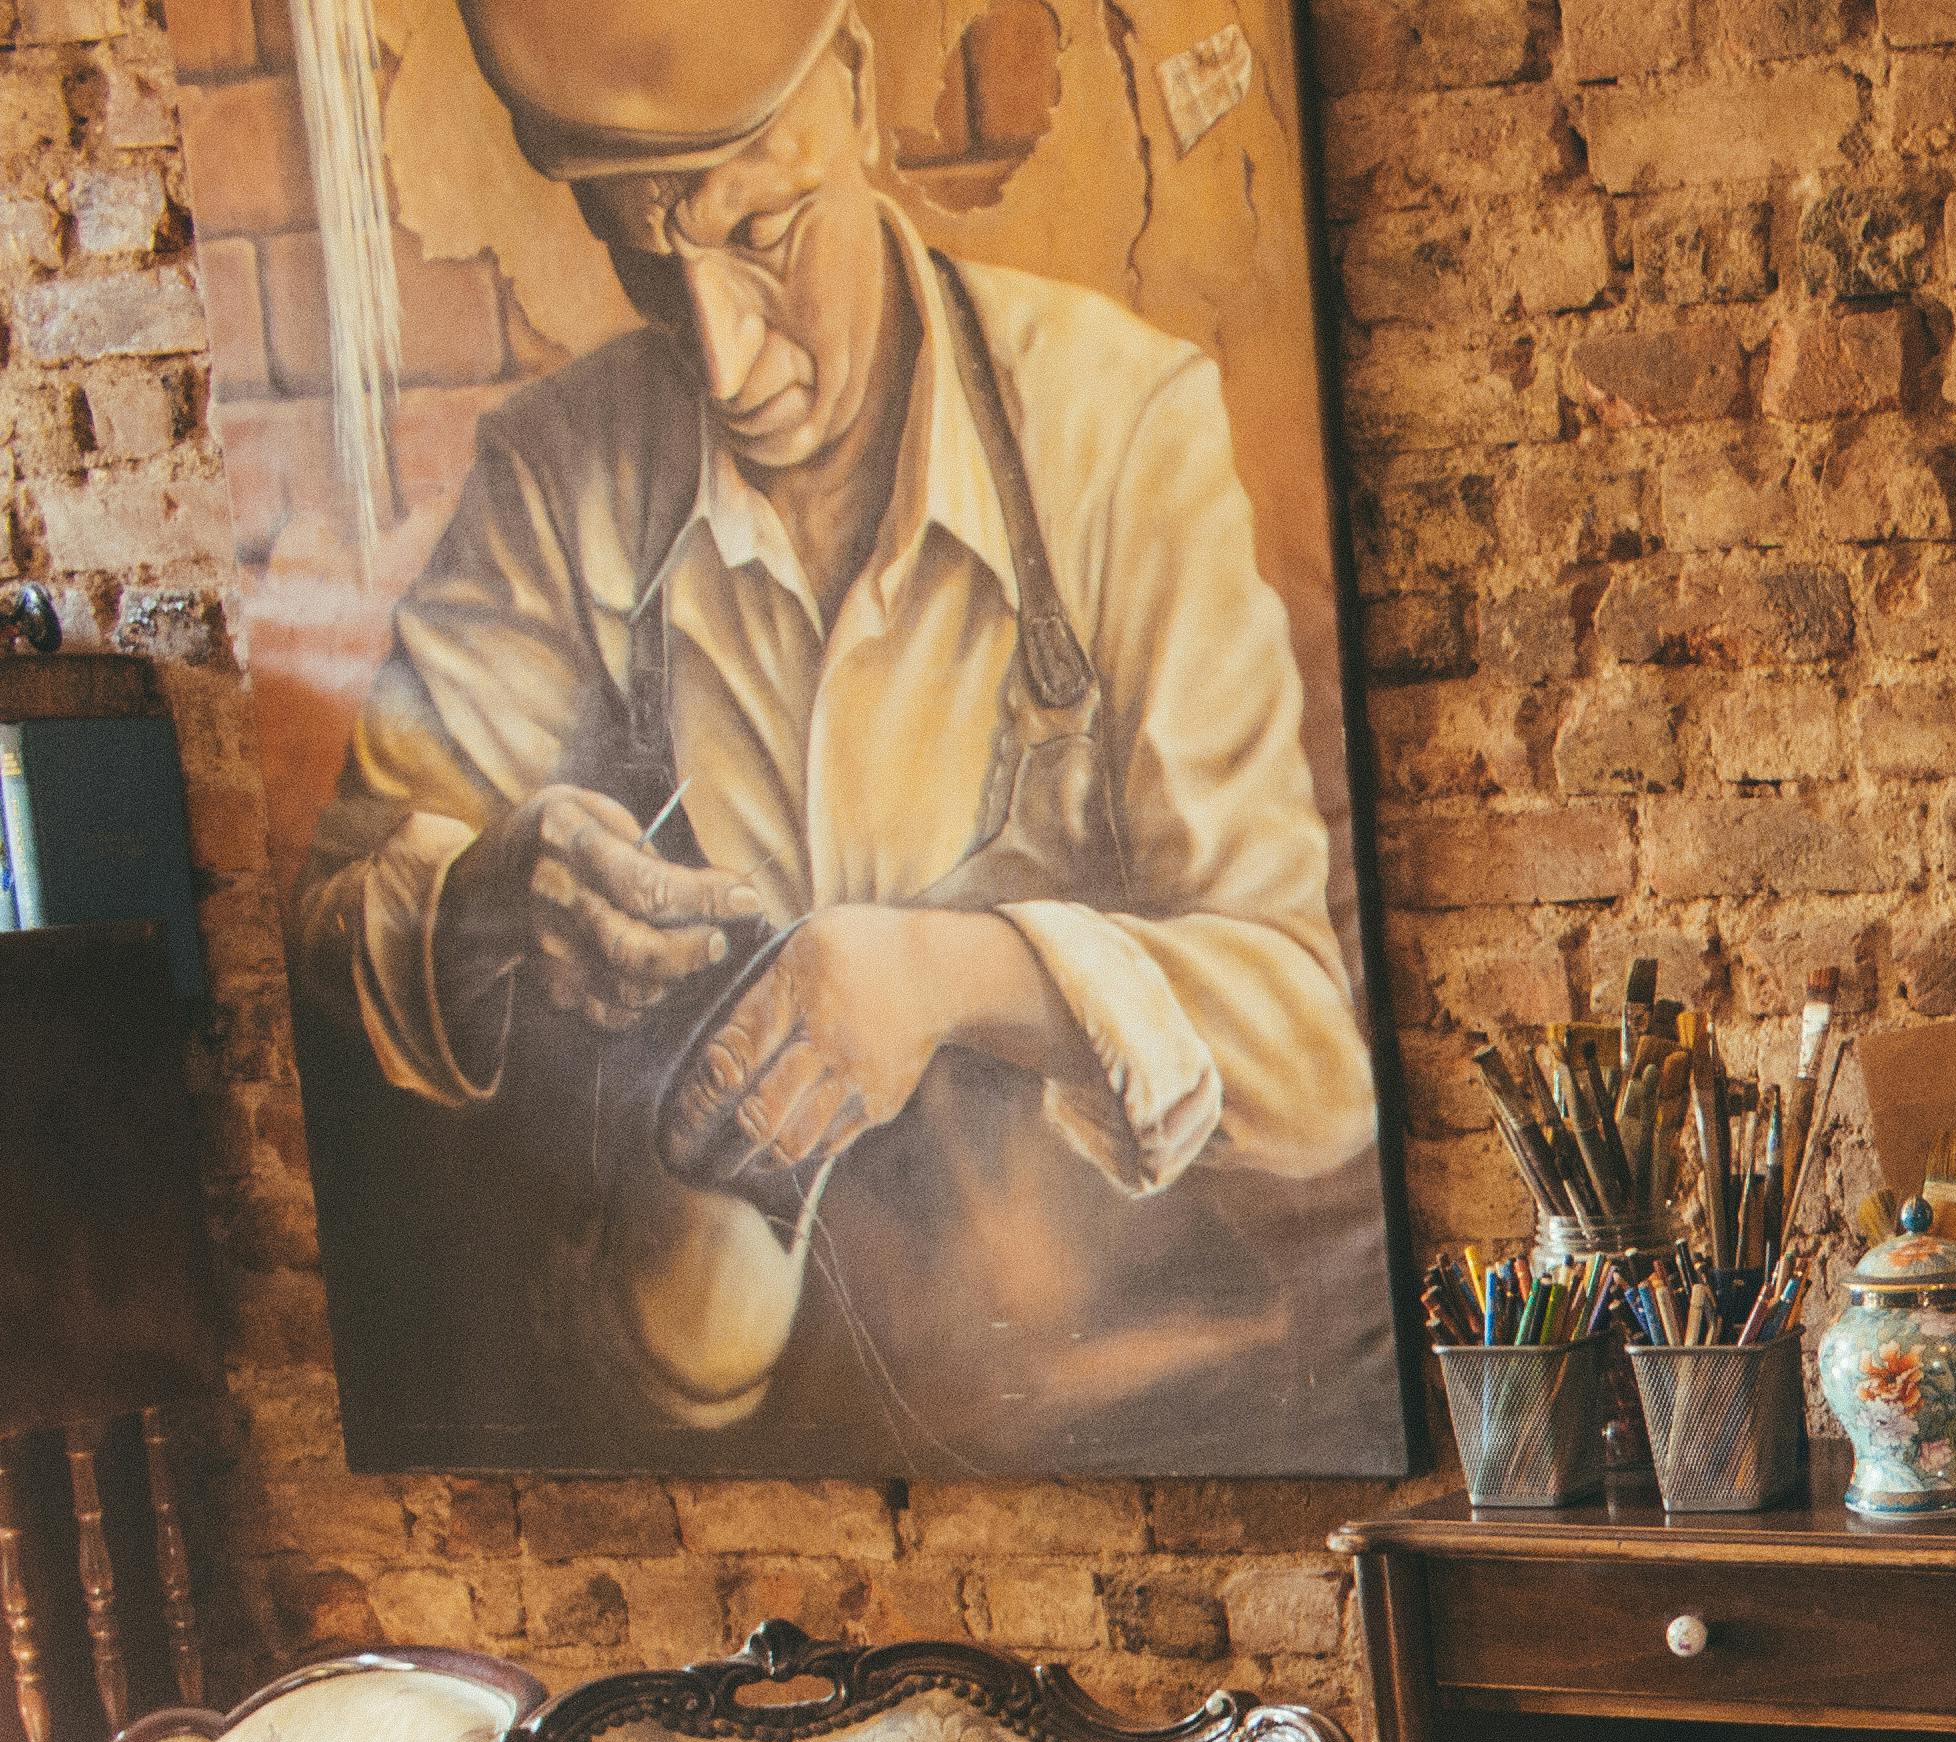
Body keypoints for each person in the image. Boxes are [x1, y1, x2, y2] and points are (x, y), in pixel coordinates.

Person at [281, 0, 1387, 1473]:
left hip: (1111, 1433)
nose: (730, 364)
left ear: (855, 93)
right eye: (645, 259)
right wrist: (486, 898)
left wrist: (945, 971)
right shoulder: (561, 481)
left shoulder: (1115, 434)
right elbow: (327, 928)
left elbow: (1312, 1054)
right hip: (709, 1467)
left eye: (767, 231)